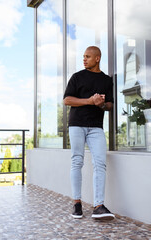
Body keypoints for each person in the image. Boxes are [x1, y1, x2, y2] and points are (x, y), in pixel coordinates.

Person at [63, 46, 115, 220]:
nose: (84, 59)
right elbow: (67, 100)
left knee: (100, 163)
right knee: (77, 161)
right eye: (83, 56)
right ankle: (77, 204)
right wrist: (90, 101)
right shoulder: (77, 77)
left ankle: (98, 206)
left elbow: (110, 105)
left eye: (87, 57)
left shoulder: (107, 80)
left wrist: (100, 103)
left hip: (96, 127)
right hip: (77, 124)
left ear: (97, 58)